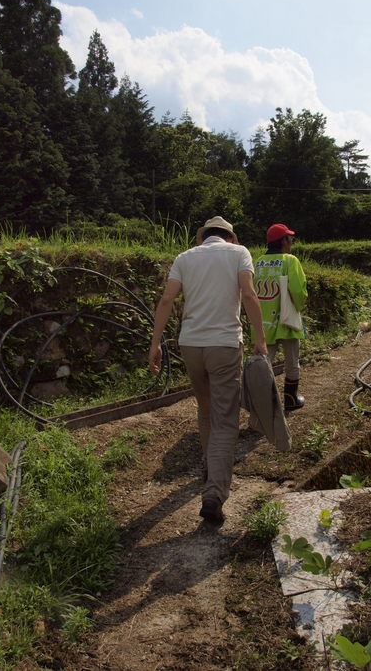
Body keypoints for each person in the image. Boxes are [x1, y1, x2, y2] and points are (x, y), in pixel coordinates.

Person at [148, 215, 267, 525]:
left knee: (205, 410)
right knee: (226, 419)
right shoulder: (239, 253)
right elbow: (250, 295)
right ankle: (214, 492)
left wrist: (156, 343)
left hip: (191, 345)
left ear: (203, 237)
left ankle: (208, 465)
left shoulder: (185, 257)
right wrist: (260, 340)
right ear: (229, 237)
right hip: (224, 345)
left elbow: (166, 300)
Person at [253, 223, 307, 411]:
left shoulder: (258, 262)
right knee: (292, 361)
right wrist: (299, 307)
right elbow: (298, 291)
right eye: (290, 238)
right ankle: (291, 400)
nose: (291, 242)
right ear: (283, 241)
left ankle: (265, 405)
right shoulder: (290, 261)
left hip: (263, 321)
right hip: (287, 320)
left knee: (265, 363)